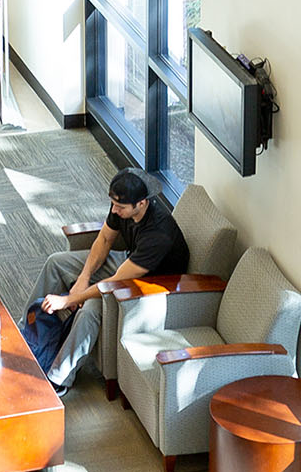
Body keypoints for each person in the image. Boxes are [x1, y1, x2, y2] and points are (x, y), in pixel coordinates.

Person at [30, 168, 190, 393]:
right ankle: (27, 330)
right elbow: (105, 239)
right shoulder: (122, 205)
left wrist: (69, 300)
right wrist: (83, 278)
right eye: (112, 204)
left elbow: (114, 282)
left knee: (92, 308)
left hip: (149, 286)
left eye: (120, 207)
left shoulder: (158, 235)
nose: (114, 210)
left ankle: (59, 378)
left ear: (141, 203)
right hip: (128, 262)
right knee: (56, 262)